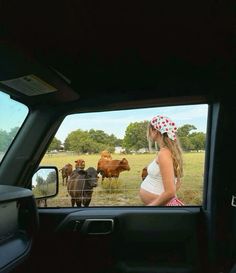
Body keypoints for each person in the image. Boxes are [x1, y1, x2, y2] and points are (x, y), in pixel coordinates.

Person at [139, 115, 184, 206]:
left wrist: (150, 207)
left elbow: (170, 192)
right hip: (163, 206)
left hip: (160, 207)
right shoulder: (169, 152)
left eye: (149, 130)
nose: (148, 133)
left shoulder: (164, 153)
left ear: (155, 131)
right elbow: (178, 182)